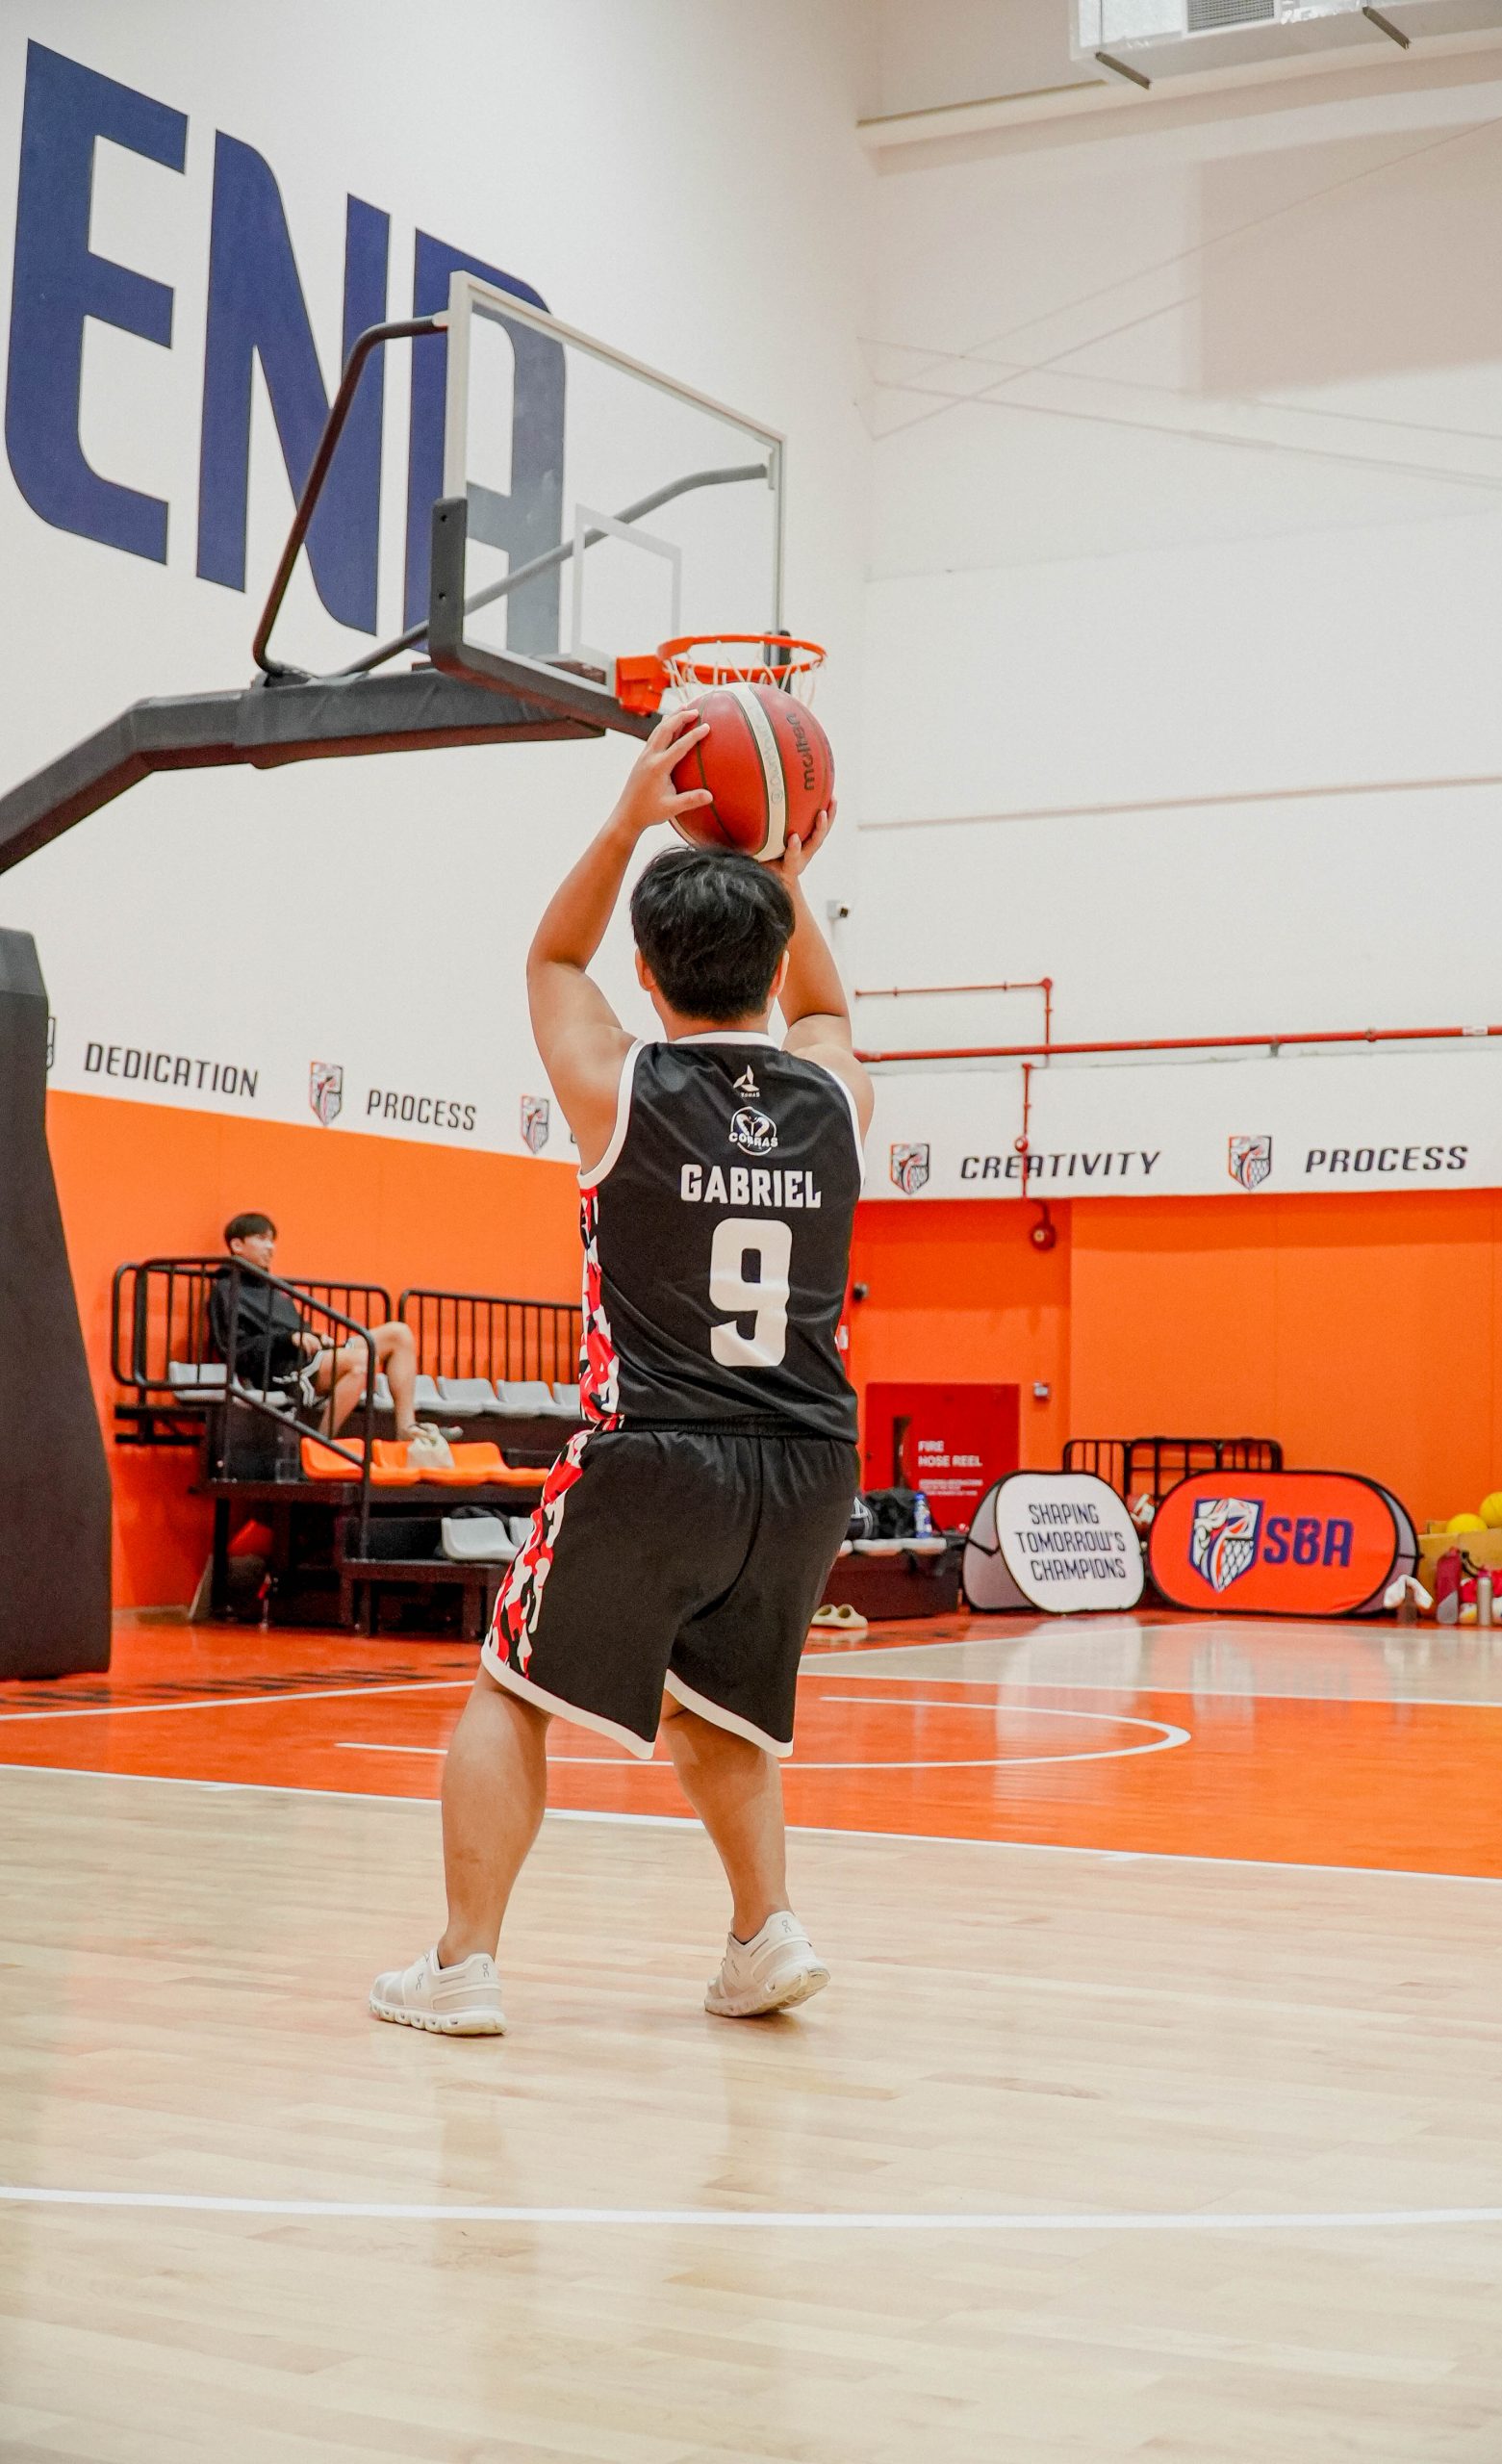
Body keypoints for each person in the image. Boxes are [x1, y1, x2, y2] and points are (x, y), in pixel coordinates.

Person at [369, 706, 871, 2036]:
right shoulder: (834, 1096)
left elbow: (550, 956)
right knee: (721, 1715)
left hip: (654, 1443)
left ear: (645, 975)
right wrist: (778, 866)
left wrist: (625, 820)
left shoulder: (619, 1082)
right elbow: (824, 1008)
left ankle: (462, 1965)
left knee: (510, 1686)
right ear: (776, 957)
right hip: (811, 1462)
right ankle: (763, 1933)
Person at [210, 1213, 449, 1462]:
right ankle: (320, 1444)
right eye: (261, 1239)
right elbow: (235, 1349)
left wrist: (314, 1337)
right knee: (362, 1361)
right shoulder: (226, 1290)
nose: (270, 1247)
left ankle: (406, 1429)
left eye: (272, 1240)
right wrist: (288, 1340)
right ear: (237, 1245)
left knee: (399, 1333)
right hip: (279, 1369)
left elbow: (295, 1330)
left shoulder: (274, 1289)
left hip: (309, 1359)